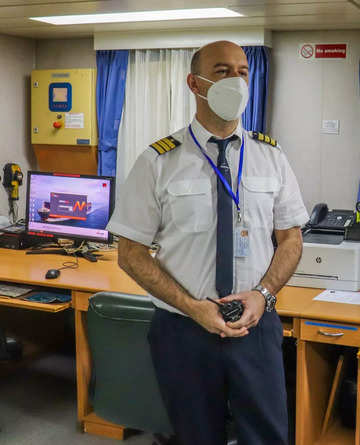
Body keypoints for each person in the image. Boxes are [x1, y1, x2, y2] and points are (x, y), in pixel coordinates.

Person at [108, 40, 308, 445]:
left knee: (267, 436)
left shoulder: (271, 156)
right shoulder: (158, 161)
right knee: (196, 436)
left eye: (243, 72)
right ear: (194, 83)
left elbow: (291, 239)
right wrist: (193, 308)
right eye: (221, 71)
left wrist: (262, 294)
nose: (235, 80)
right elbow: (129, 254)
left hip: (255, 324)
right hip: (183, 330)